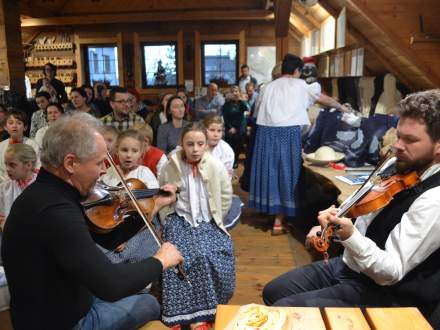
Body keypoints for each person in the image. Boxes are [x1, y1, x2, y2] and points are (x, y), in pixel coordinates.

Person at [263, 89, 440, 320]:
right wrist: (331, 224)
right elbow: (363, 211)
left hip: (387, 292)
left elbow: (391, 272)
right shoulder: (401, 165)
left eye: (410, 140)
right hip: (352, 266)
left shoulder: (433, 200)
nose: (397, 146)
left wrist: (349, 235)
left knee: (284, 311)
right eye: (398, 136)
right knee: (273, 291)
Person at [1, 112, 183, 330]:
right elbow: (111, 285)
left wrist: (154, 206)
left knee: (134, 289)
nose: (105, 169)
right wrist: (160, 260)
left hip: (66, 299)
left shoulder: (49, 193)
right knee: (149, 303)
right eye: (99, 162)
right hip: (63, 322)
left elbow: (107, 238)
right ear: (70, 163)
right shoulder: (56, 212)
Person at [249, 54, 348, 235]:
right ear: (297, 71)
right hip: (288, 133)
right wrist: (341, 107)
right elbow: (323, 99)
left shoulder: (267, 87)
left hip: (265, 132)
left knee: (269, 171)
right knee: (287, 173)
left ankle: (271, 213)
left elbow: (256, 113)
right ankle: (279, 221)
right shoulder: (301, 85)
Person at [158, 122, 235, 329]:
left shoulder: (215, 165)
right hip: (179, 219)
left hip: (207, 221)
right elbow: (162, 196)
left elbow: (226, 195)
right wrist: (167, 221)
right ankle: (179, 314)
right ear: (182, 143)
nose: (195, 149)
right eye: (190, 144)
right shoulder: (171, 166)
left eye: (200, 144)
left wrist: (218, 217)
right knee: (176, 257)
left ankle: (204, 314)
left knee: (209, 255)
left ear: (206, 145)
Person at [99, 129, 161, 263]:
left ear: (141, 153)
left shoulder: (145, 174)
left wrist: (125, 238)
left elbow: (150, 212)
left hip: (139, 228)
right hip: (112, 224)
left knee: (128, 255)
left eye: (134, 151)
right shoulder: (109, 174)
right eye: (124, 150)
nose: (129, 155)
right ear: (116, 151)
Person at [203, 115, 243, 230]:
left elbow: (224, 180)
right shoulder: (199, 145)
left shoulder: (227, 151)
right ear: (204, 130)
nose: (216, 134)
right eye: (212, 130)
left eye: (219, 131)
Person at [0, 144, 38, 229]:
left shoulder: (42, 186)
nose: (7, 169)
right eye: (6, 164)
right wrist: (2, 222)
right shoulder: (4, 187)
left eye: (12, 165)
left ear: (28, 165)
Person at [0, 110, 40, 183]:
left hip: (29, 184)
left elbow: (37, 166)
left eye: (19, 123)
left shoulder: (32, 145)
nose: (14, 126)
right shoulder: (1, 146)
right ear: (5, 127)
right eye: (11, 123)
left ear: (25, 127)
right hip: (5, 185)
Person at [222, 85, 249, 169]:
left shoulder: (241, 104)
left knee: (237, 144)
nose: (235, 93)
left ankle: (235, 161)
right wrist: (230, 127)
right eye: (233, 91)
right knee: (229, 144)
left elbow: (246, 109)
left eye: (236, 91)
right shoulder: (226, 104)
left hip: (239, 127)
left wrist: (240, 100)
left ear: (239, 92)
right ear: (230, 93)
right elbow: (225, 118)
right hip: (229, 127)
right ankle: (229, 161)